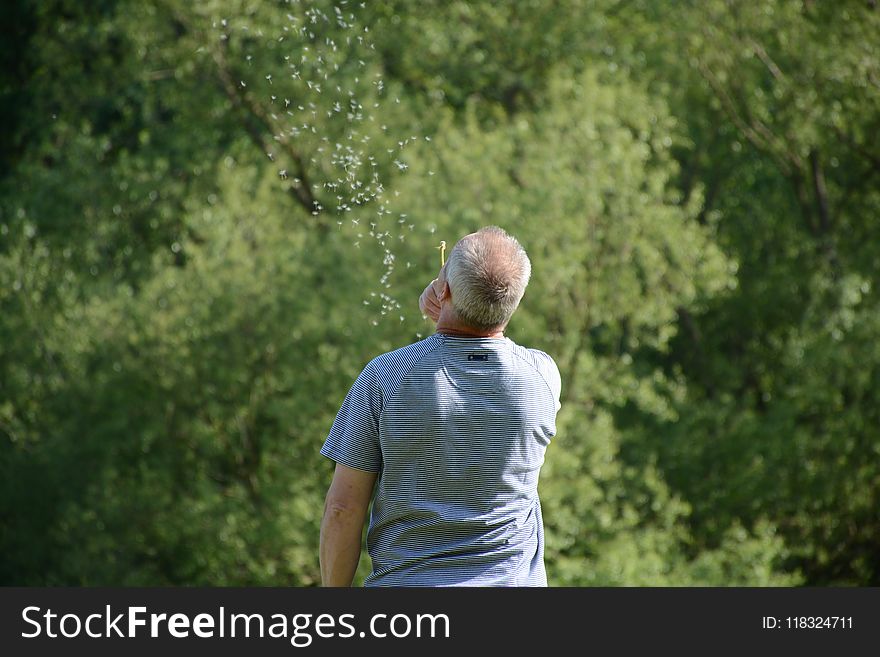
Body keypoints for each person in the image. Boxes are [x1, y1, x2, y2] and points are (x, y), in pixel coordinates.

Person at [319, 226, 561, 586]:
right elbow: (489, 310)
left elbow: (343, 509)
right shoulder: (542, 377)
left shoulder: (387, 377)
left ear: (443, 288)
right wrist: (457, 295)